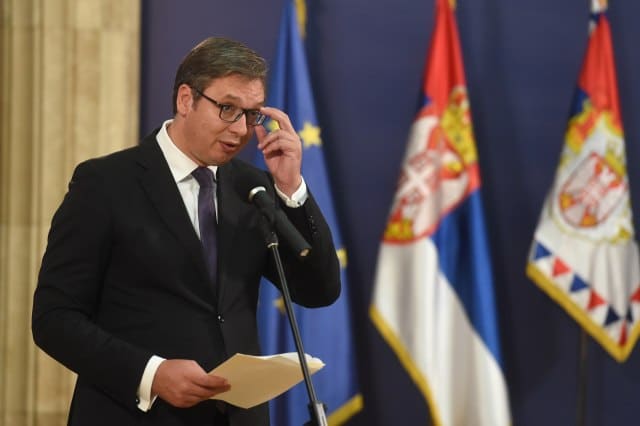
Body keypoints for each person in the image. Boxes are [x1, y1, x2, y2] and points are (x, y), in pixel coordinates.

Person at [31, 37, 341, 426]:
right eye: (228, 109)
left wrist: (292, 190)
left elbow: (319, 291)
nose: (241, 129)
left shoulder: (253, 189)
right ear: (185, 99)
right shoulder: (105, 183)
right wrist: (151, 374)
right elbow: (54, 318)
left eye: (252, 114)